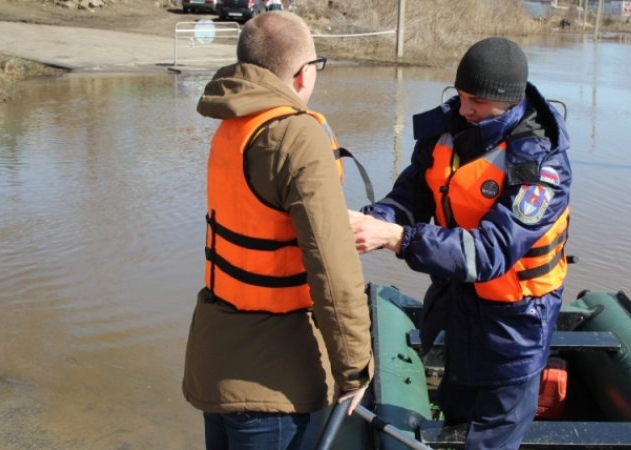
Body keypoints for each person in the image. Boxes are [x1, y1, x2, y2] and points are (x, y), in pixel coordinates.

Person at [349, 36, 571, 450]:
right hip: (459, 305)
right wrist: (374, 220)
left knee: (491, 439)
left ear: (509, 101)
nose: (464, 109)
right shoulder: (447, 130)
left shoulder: (540, 165)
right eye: (461, 96)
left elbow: (491, 252)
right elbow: (410, 197)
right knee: (455, 412)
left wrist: (398, 238)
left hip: (515, 324)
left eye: (478, 103)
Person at [182, 11, 374, 450]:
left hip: (216, 362)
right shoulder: (296, 136)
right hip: (276, 384)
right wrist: (355, 368)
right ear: (304, 74)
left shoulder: (232, 123)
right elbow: (333, 265)